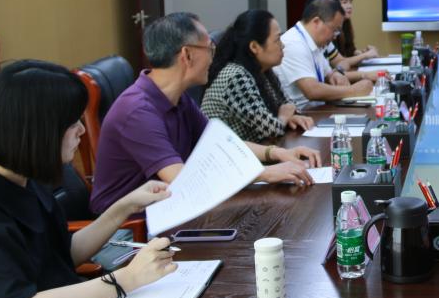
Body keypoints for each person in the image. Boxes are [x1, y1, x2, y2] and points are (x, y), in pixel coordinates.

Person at [0, 60, 194, 298]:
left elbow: (64, 253)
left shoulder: (23, 178)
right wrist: (126, 279)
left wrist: (123, 206)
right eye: (72, 122)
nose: (81, 130)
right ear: (39, 131)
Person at [90, 13, 319, 215]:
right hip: (128, 230)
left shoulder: (178, 98)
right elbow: (183, 181)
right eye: (210, 48)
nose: (213, 57)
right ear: (187, 55)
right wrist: (265, 173)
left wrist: (278, 153)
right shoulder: (137, 111)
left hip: (169, 210)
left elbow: (223, 143)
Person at [201, 9, 314, 143]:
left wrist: (291, 117)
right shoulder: (236, 77)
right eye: (277, 39)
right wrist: (284, 118)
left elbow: (288, 105)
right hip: (228, 152)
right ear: (254, 47)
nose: (282, 45)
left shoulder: (263, 71)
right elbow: (271, 129)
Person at [274, 0, 375, 107]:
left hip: (317, 110)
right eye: (334, 30)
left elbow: (329, 73)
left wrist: (335, 75)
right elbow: (312, 90)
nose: (335, 37)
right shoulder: (294, 43)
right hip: (302, 113)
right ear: (316, 22)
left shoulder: (313, 41)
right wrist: (354, 90)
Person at [322, 0, 379, 70]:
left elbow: (348, 52)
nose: (349, 6)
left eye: (350, 2)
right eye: (344, 2)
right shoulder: (328, 29)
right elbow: (338, 63)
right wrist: (365, 55)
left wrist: (359, 53)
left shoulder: (345, 24)